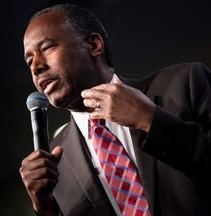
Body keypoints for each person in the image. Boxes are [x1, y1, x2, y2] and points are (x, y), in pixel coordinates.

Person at [19, 3, 211, 216]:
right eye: (29, 61)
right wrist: (44, 208)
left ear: (94, 45)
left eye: (46, 48)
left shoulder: (186, 83)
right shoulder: (54, 163)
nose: (36, 66)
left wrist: (150, 119)